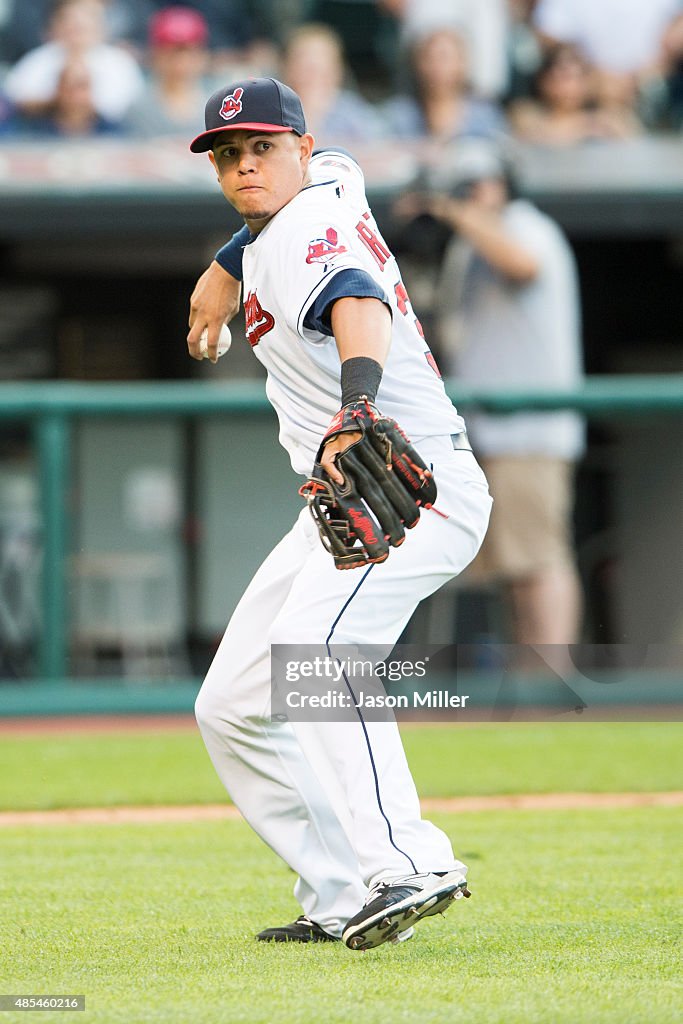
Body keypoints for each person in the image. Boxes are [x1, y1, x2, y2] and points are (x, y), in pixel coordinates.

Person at [187, 77, 492, 949]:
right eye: (228, 155)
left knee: (319, 656)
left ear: (302, 150)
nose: (246, 166)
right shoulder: (330, 183)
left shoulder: (303, 232)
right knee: (235, 704)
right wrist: (225, 260)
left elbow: (354, 296)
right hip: (344, 493)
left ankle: (405, 863)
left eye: (264, 149)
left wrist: (358, 405)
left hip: (409, 484)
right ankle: (338, 893)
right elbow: (316, 190)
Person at [407, 140, 584, 646]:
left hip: (530, 427)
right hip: (489, 430)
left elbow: (522, 265)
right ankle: (532, 685)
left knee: (538, 560)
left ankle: (554, 680)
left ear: (503, 183)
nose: (471, 198)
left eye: (478, 186)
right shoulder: (470, 242)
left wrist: (448, 207)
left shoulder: (528, 225)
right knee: (510, 568)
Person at [3, 0, 144, 124]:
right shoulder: (39, 60)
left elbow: (128, 109)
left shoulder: (119, 62)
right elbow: (14, 99)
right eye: (70, 21)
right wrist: (58, 102)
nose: (77, 27)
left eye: (85, 20)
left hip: (111, 137)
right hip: (43, 134)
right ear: (55, 25)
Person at [382, 26, 506, 142]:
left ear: (462, 63)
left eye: (444, 58)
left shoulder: (484, 114)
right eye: (429, 58)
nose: (437, 67)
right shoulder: (400, 113)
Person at [509, 43, 642, 145]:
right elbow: (529, 136)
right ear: (543, 81)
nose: (570, 87)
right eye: (563, 78)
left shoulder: (610, 116)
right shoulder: (526, 113)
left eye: (577, 77)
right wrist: (587, 127)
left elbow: (632, 141)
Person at [281, 23, 385, 145]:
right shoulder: (274, 110)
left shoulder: (353, 112)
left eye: (322, 62)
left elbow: (380, 145)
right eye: (303, 61)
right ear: (286, 67)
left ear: (338, 70)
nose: (313, 68)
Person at [123, 6, 211, 138]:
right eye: (171, 54)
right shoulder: (138, 110)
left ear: (201, 55)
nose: (180, 63)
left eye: (188, 52)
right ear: (156, 55)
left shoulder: (216, 107)